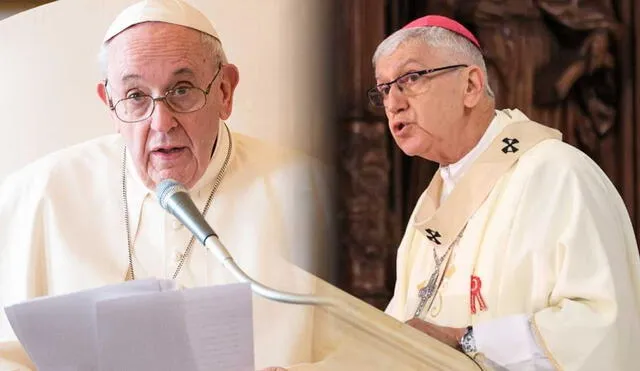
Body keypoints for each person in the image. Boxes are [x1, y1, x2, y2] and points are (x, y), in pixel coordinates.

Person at [0, 0, 334, 370]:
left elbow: (371, 350)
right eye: (136, 96)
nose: (161, 123)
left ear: (224, 91)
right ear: (110, 103)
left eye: (181, 90)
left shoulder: (312, 192)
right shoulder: (39, 196)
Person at [369, 14, 640, 370]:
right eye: (385, 89)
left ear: (470, 85)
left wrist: (467, 339)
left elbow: (603, 325)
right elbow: (396, 340)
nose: (394, 103)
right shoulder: (431, 207)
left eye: (411, 78)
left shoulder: (557, 174)